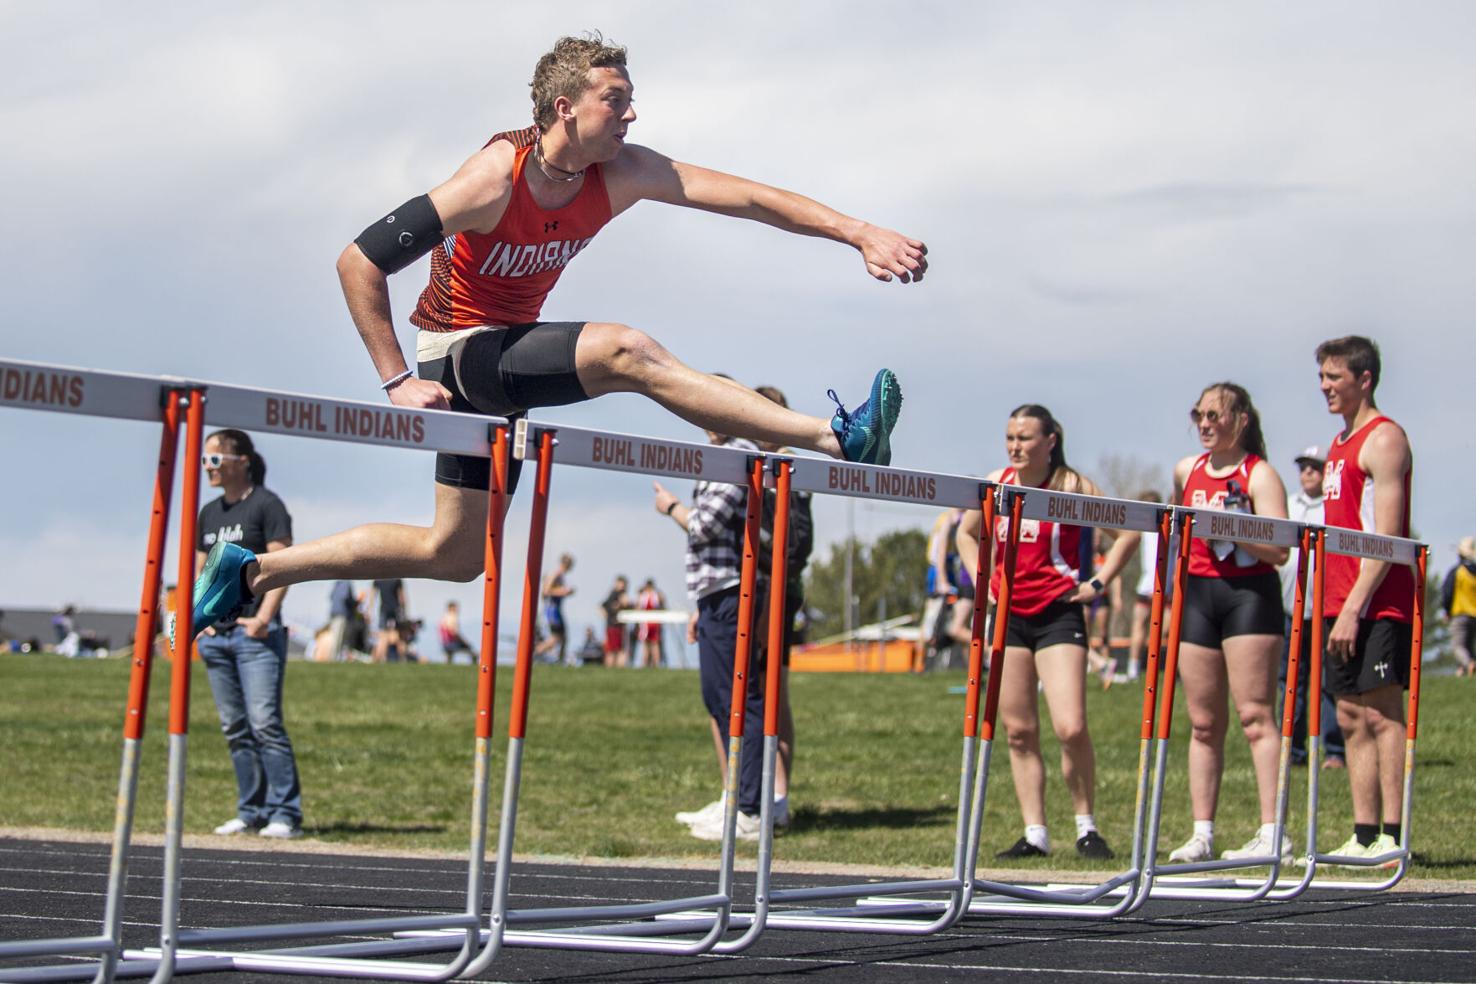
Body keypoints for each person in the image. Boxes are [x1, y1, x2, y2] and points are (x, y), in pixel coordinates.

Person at [181, 33, 923, 641]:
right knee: (625, 350)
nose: (632, 117)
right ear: (565, 109)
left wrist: (856, 231)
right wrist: (396, 377)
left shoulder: (624, 172)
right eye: (617, 102)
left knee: (455, 553)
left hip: (509, 360)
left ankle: (250, 573)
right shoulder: (490, 181)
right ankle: (833, 436)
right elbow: (359, 261)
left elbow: (752, 198)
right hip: (458, 353)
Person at [955, 405, 1139, 860]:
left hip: (1058, 613)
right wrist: (984, 582)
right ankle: (1034, 831)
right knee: (1018, 730)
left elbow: (1129, 532)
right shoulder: (998, 483)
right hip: (1010, 616)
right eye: (1010, 437)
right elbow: (966, 532)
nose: (1016, 446)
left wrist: (1097, 582)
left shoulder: (1072, 486)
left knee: (1070, 725)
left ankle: (1086, 826)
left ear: (1050, 440)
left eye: (1025, 438)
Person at [1165, 383, 1290, 865]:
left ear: (1241, 420)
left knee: (1255, 716)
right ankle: (1202, 833)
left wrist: (1233, 526)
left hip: (1248, 595)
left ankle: (1273, 829)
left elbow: (1280, 549)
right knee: (1201, 723)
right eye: (1198, 414)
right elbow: (1179, 525)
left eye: (1215, 415)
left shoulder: (1260, 475)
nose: (1205, 423)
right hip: (1198, 592)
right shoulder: (1186, 469)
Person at [1316, 336, 1415, 862]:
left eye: (1335, 377)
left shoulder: (1384, 439)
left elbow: (1388, 535)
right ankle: (1363, 833)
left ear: (1365, 379)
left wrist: (1355, 606)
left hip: (1379, 600)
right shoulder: (1338, 445)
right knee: (1351, 715)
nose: (1326, 387)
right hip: (1337, 598)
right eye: (1322, 378)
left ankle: (1393, 837)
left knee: (1382, 713)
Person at [654, 426, 768, 841]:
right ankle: (734, 799)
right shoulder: (719, 453)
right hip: (713, 593)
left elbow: (705, 525)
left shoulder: (738, 451)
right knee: (718, 698)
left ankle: (750, 809)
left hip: (730, 590)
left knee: (739, 699)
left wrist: (670, 507)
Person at [194, 429, 302, 839]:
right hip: (218, 638)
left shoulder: (267, 506)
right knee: (234, 726)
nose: (208, 467)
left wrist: (263, 619)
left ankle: (285, 814)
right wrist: (197, 625)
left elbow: (284, 566)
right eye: (205, 460)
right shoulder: (209, 513)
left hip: (256, 635)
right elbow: (203, 573)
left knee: (265, 723)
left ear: (241, 461)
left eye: (215, 460)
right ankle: (250, 810)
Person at [753, 384, 817, 829]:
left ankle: (778, 797)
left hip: (774, 589)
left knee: (773, 692)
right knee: (753, 691)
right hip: (751, 587)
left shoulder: (790, 472)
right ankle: (750, 793)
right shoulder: (745, 461)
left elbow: (796, 545)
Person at [1279, 446, 1346, 767]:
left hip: (1325, 608)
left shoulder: (1333, 508)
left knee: (1328, 681)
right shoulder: (1289, 505)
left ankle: (1334, 750)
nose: (1307, 473)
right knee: (1291, 679)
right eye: (1303, 467)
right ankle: (1293, 749)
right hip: (1289, 607)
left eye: (1314, 468)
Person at [1122, 490, 1165, 684]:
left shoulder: (1168, 526)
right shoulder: (1141, 530)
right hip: (1147, 585)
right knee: (1139, 626)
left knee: (1168, 629)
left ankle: (1165, 669)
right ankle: (1133, 668)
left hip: (1166, 586)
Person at [1441, 537, 1476, 677]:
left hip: (1460, 613)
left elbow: (1447, 592)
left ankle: (1469, 664)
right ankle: (1462, 672)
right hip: (1474, 615)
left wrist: (1446, 610)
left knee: (1458, 646)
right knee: (1468, 645)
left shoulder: (1458, 571)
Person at [533, 553, 575, 664]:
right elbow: (546, 591)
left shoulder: (560, 575)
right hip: (552, 610)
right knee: (556, 637)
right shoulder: (556, 574)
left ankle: (560, 661)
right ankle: (534, 654)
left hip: (556, 609)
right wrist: (564, 591)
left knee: (564, 637)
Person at [371, 578, 409, 662]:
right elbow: (402, 597)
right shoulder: (396, 579)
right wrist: (405, 612)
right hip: (394, 610)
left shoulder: (379, 579)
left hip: (385, 610)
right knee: (398, 636)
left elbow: (372, 596)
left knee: (384, 636)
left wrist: (370, 611)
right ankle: (403, 659)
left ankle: (380, 659)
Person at [317, 580, 355, 662]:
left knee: (334, 637)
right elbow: (345, 598)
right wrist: (355, 603)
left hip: (333, 613)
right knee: (337, 639)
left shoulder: (337, 583)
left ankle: (333, 658)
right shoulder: (346, 583)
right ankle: (333, 659)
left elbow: (331, 596)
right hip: (341, 614)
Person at [600, 575, 632, 667]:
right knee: (618, 650)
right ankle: (618, 668)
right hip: (616, 626)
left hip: (612, 625)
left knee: (612, 650)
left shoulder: (612, 593)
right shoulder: (618, 594)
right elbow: (626, 603)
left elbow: (602, 606)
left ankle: (611, 668)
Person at [635, 578, 666, 669]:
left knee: (646, 645)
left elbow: (639, 607)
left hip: (646, 623)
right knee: (654, 644)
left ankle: (645, 664)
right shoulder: (657, 595)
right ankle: (656, 664)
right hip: (654, 623)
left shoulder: (644, 596)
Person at [439, 600, 476, 665]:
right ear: (451, 608)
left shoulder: (444, 617)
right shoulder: (452, 617)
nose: (458, 609)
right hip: (451, 643)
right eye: (456, 607)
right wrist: (465, 642)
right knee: (473, 653)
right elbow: (454, 632)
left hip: (445, 644)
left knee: (449, 656)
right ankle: (474, 667)